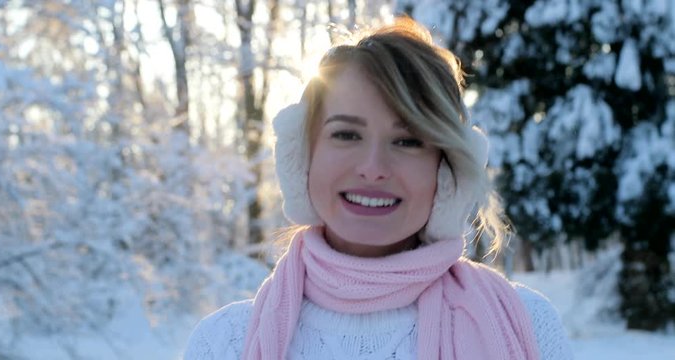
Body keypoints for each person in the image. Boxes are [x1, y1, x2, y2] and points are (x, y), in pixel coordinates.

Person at [184, 17, 573, 360]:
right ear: (303, 155)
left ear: (447, 170)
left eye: (408, 141)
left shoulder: (524, 326)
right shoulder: (224, 344)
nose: (372, 169)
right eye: (347, 134)